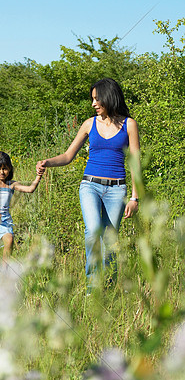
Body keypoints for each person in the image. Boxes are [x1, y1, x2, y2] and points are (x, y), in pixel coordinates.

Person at [36, 78, 140, 290]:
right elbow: (68, 155)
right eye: (92, 99)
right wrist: (48, 162)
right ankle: (93, 290)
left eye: (96, 99)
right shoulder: (89, 124)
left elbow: (136, 163)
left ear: (109, 97)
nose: (93, 103)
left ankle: (108, 290)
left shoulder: (129, 125)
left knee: (110, 239)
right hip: (90, 185)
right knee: (93, 230)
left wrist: (134, 198)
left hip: (117, 189)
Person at [0, 151, 42, 271]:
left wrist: (38, 176)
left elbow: (30, 189)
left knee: (9, 239)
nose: (2, 172)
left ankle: (5, 272)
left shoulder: (12, 184)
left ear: (10, 169)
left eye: (5, 169)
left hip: (4, 222)